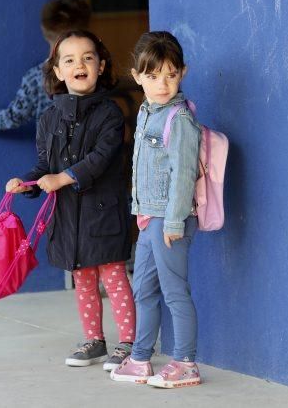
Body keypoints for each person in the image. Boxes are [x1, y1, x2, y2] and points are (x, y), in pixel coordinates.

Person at [5, 30, 136, 371]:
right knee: (83, 280)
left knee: (114, 276)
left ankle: (128, 344)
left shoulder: (109, 113)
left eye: (88, 58)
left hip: (103, 213)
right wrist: (28, 183)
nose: (80, 64)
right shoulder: (49, 118)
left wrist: (62, 178)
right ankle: (94, 340)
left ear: (101, 66)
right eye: (69, 60)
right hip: (68, 216)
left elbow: (100, 158)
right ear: (58, 71)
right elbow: (45, 165)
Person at [110, 31, 202, 388]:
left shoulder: (178, 119)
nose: (162, 84)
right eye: (152, 76)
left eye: (170, 75)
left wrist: (174, 221)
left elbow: (182, 175)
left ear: (183, 72)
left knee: (175, 291)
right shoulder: (147, 111)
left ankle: (185, 362)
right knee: (143, 289)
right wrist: (140, 213)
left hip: (169, 218)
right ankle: (141, 357)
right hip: (147, 216)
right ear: (136, 76)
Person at [0, 0, 91, 136]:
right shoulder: (95, 72)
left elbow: (13, 118)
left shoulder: (36, 78)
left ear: (45, 31)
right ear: (85, 34)